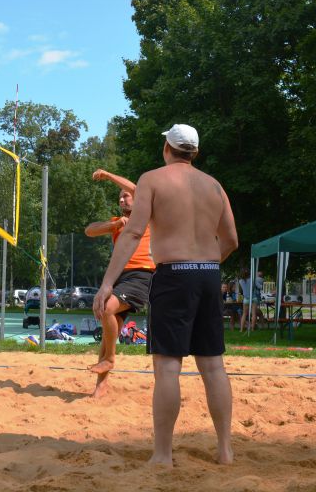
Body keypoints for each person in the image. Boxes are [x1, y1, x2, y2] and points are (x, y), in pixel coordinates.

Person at [93, 123, 238, 466]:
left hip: (173, 275)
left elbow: (133, 234)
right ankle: (225, 451)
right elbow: (231, 241)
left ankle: (162, 455)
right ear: (195, 153)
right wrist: (204, 266)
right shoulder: (214, 186)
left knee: (168, 368)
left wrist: (107, 283)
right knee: (213, 366)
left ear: (167, 149)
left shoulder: (152, 179)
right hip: (209, 274)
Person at [84, 168, 155, 398]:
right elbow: (89, 230)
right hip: (119, 277)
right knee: (108, 332)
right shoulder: (118, 222)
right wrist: (113, 226)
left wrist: (108, 175)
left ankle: (110, 359)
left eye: (126, 196)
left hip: (142, 275)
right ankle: (101, 386)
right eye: (120, 198)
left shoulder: (148, 216)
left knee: (107, 308)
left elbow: (136, 188)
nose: (122, 199)